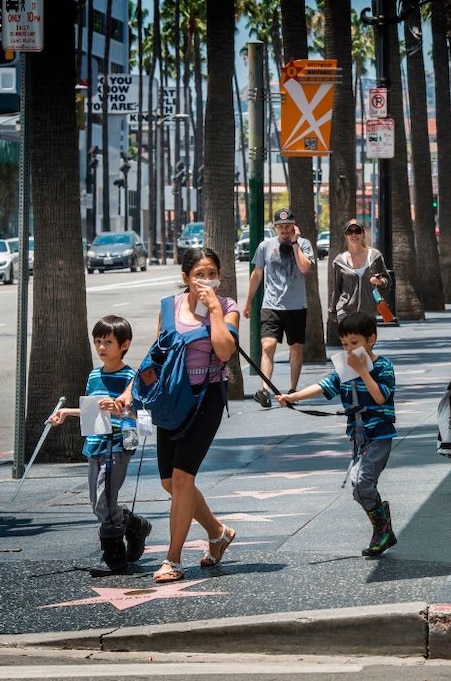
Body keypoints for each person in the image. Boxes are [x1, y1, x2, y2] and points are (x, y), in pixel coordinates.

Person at [136, 247, 240, 583]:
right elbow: (159, 352)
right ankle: (218, 532)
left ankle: (173, 559)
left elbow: (225, 351)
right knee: (169, 481)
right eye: (199, 273)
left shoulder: (227, 308)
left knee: (183, 478)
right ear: (185, 277)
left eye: (212, 273)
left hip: (206, 396)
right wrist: (141, 390)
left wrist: (213, 311)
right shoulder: (169, 306)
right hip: (172, 398)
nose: (207, 280)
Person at [276, 311, 398, 557]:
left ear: (371, 339)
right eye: (345, 345)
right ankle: (382, 526)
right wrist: (293, 397)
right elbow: (324, 386)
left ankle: (382, 527)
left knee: (363, 481)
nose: (350, 350)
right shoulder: (344, 368)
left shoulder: (383, 366)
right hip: (358, 436)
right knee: (357, 487)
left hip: (379, 436)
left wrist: (363, 371)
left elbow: (380, 396)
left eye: (355, 343)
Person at [48, 316, 153, 574]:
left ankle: (114, 555)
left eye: (108, 341)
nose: (102, 347)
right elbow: (91, 409)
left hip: (117, 444)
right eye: (98, 341)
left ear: (124, 345)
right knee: (98, 503)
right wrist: (67, 413)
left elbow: (137, 412)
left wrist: (118, 409)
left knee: (105, 501)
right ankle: (133, 524)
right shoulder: (94, 375)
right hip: (94, 443)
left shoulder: (131, 376)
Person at [243, 208, 315, 407]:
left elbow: (304, 268)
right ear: (274, 227)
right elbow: (257, 274)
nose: (284, 230)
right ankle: (265, 390)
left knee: (296, 347)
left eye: (288, 226)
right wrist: (249, 300)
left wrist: (294, 243)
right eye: (280, 226)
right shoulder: (265, 246)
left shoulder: (304, 244)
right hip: (271, 304)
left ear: (294, 226)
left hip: (296, 305)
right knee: (268, 345)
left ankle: (293, 390)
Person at [328, 219, 391, 342]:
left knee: (367, 347)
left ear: (363, 234)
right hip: (346, 311)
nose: (353, 235)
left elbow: (387, 281)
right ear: (346, 236)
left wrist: (380, 282)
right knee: (351, 349)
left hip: (368, 312)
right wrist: (332, 311)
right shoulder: (339, 261)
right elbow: (336, 288)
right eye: (349, 232)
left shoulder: (374, 256)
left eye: (357, 231)